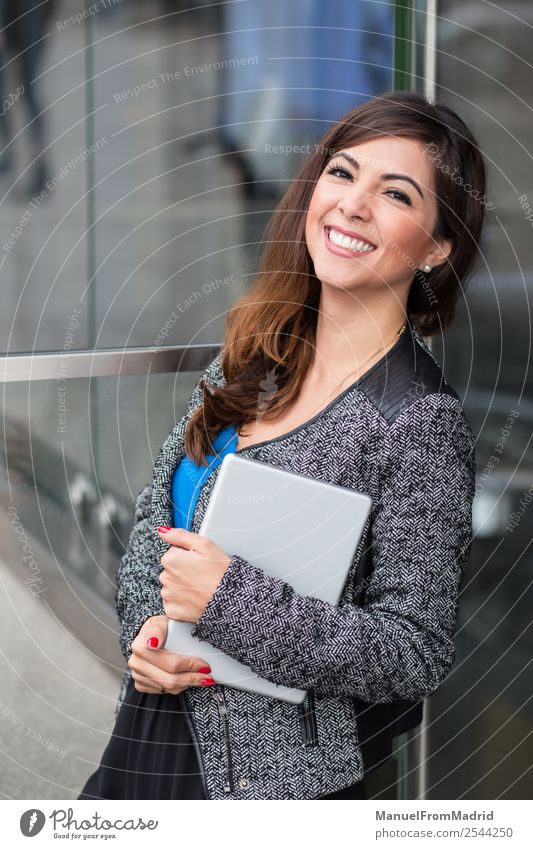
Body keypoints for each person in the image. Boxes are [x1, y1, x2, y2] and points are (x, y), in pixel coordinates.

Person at [79, 89, 487, 800]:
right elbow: (155, 518)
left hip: (272, 791)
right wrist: (148, 628)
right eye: (341, 173)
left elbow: (412, 650)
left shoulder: (418, 422)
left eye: (393, 193)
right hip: (149, 735)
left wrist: (229, 600)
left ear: (436, 245)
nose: (351, 205)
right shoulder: (254, 355)